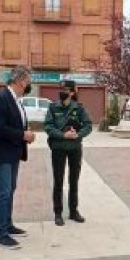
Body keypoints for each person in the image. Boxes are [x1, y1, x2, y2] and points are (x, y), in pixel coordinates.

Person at [0, 66, 35, 250]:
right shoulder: (1, 97)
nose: (29, 84)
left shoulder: (15, 99)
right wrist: (22, 135)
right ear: (21, 81)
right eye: (28, 81)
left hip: (12, 153)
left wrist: (26, 133)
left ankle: (8, 224)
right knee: (3, 192)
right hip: (1, 153)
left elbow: (16, 123)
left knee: (10, 189)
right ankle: (1, 233)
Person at [44, 80, 93, 226]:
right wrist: (63, 135)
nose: (63, 92)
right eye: (61, 89)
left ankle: (73, 211)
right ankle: (58, 213)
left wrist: (78, 134)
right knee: (58, 181)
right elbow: (48, 126)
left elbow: (88, 125)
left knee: (74, 181)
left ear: (72, 92)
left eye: (66, 89)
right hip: (58, 147)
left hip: (75, 148)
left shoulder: (79, 108)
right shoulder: (53, 107)